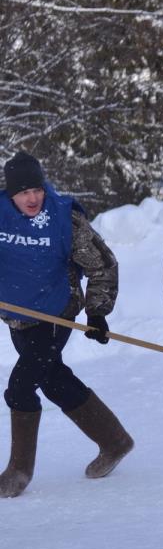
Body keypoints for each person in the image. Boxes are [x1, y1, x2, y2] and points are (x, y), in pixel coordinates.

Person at [0, 151, 133, 498]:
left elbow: (103, 266)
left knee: (19, 388)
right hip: (19, 317)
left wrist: (98, 312)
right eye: (23, 192)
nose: (32, 198)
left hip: (56, 313)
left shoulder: (65, 220)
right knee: (53, 380)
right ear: (9, 193)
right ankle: (114, 440)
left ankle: (18, 472)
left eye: (37, 190)